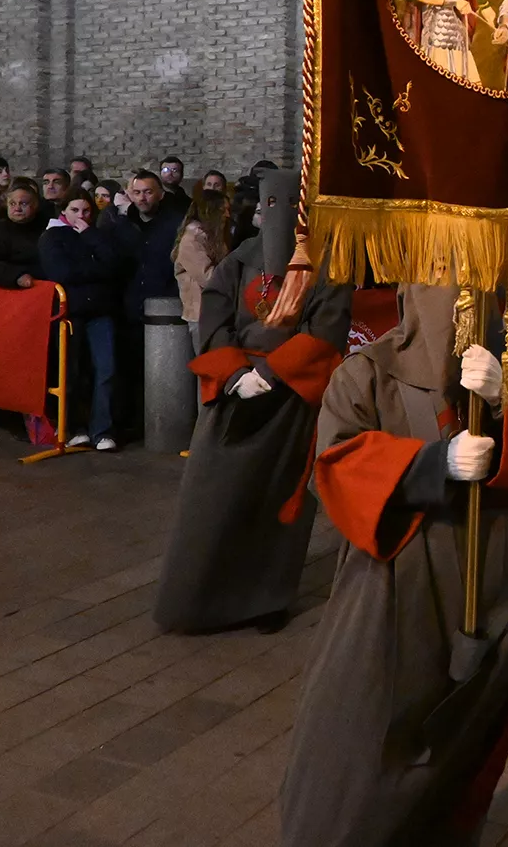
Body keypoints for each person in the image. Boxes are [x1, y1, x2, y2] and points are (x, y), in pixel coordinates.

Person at [279, 280, 508, 846]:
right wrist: (430, 463)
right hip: (397, 581)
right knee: (369, 735)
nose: (459, 298)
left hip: (496, 570)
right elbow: (336, 464)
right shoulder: (367, 371)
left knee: (468, 739)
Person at [153, 169, 352, 634]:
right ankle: (199, 596)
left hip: (287, 398)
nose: (279, 217)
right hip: (233, 395)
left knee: (274, 501)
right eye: (272, 206)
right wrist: (235, 374)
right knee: (213, 498)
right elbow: (214, 317)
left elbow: (325, 333)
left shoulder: (329, 270)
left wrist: (270, 372)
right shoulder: (241, 260)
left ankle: (265, 599)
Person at [40, 193, 125, 451]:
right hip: (71, 312)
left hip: (100, 310)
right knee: (72, 371)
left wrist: (90, 237)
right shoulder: (52, 237)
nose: (82, 215)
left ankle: (102, 431)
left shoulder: (97, 236)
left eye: (87, 210)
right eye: (75, 210)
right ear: (64, 211)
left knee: (106, 369)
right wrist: (96, 271)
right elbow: (62, 273)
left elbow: (114, 265)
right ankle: (73, 426)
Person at [113, 170, 186, 437]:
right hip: (129, 307)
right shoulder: (119, 223)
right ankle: (131, 424)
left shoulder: (175, 224)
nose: (142, 198)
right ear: (129, 194)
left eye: (148, 192)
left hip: (165, 310)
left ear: (160, 194)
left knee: (163, 371)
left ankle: (162, 426)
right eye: (137, 192)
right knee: (129, 369)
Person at [173, 190, 233, 351]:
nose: (227, 215)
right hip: (201, 313)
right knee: (206, 363)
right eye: (222, 210)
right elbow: (208, 277)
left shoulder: (213, 237)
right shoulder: (192, 239)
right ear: (210, 212)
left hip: (214, 310)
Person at [0, 185, 46, 290]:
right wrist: (16, 276)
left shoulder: (47, 227)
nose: (17, 208)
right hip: (12, 291)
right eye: (12, 204)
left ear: (35, 205)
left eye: (23, 204)